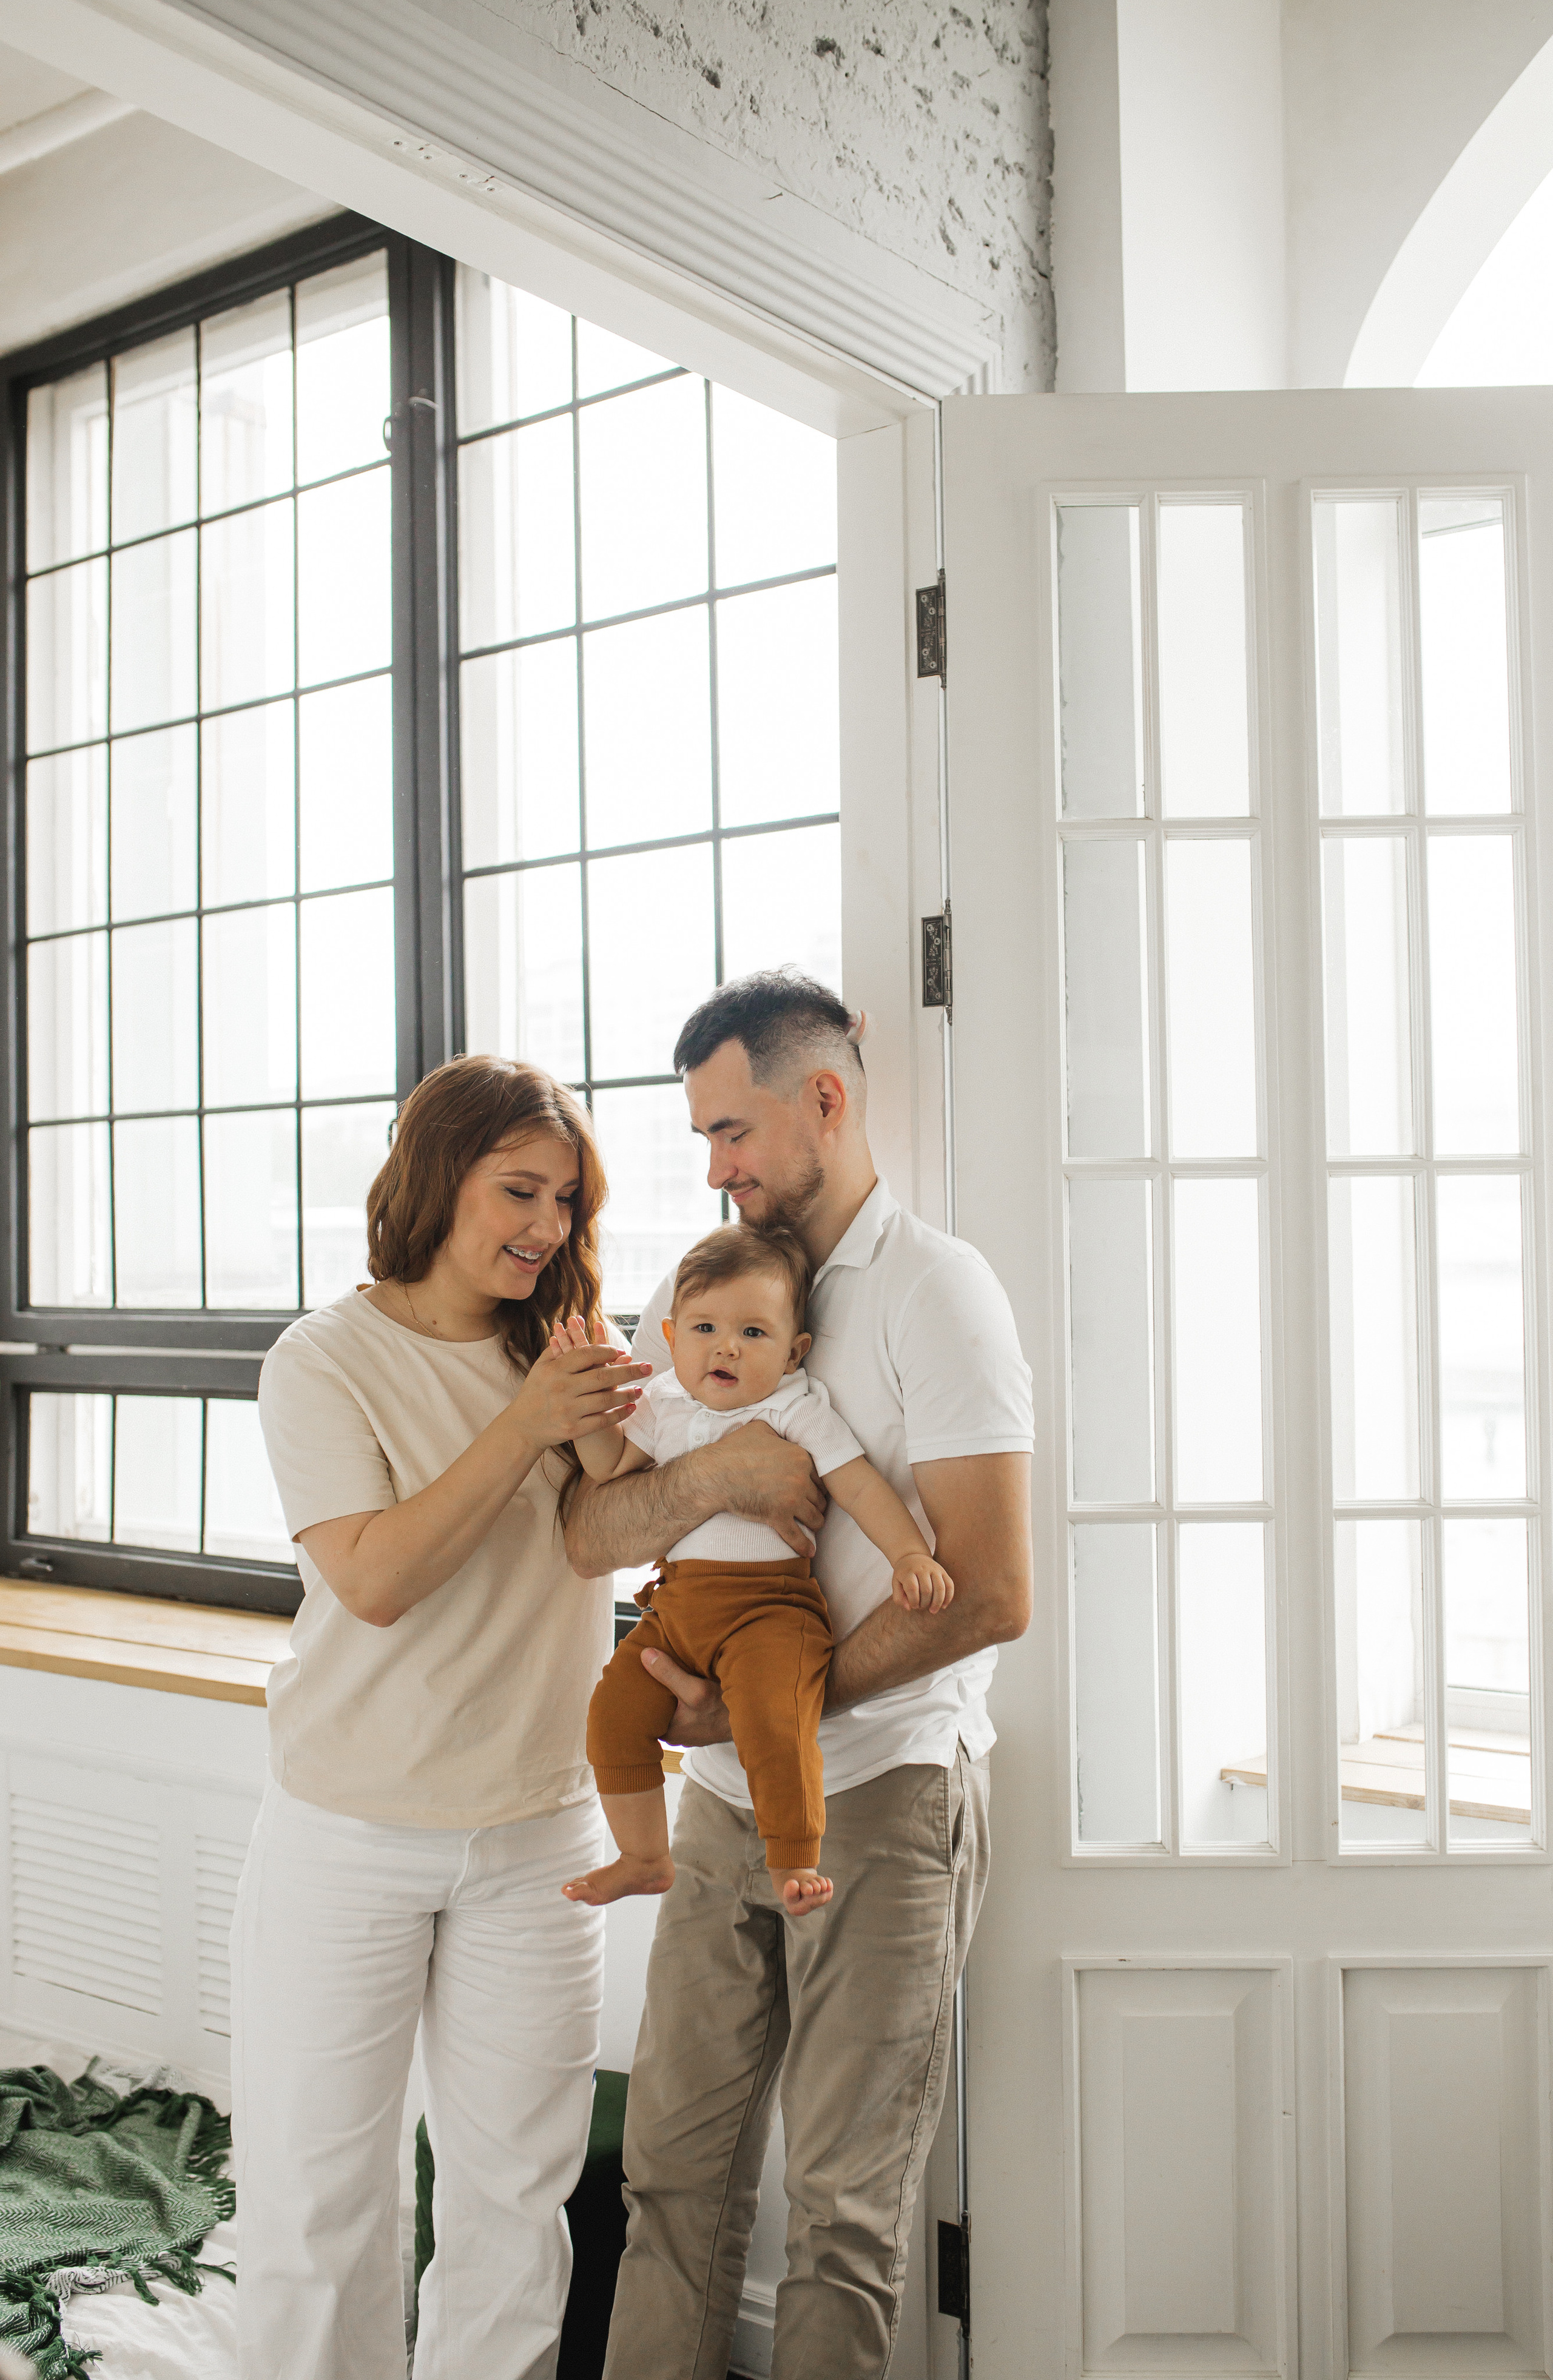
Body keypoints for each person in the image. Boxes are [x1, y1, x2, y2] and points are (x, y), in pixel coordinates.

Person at [564, 972, 1035, 2380]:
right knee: (671, 2180)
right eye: (705, 1141)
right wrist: (719, 1473)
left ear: (820, 1098)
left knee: (840, 2207)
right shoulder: (698, 1293)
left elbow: (992, 1587)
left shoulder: (935, 1292)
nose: (713, 1167)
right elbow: (595, 1525)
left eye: (729, 1131)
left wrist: (769, 1709)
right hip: (712, 1807)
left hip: (884, 1799)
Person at [234, 1055, 649, 2380]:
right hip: (346, 1831)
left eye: (565, 1202)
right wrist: (527, 1425)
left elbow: (618, 1544)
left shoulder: (564, 1351)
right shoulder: (324, 1360)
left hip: (540, 1833)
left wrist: (617, 1436)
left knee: (515, 2206)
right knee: (318, 2200)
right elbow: (374, 1579)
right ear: (434, 1177)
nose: (543, 1226)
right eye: (515, 1190)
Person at [555, 1222, 954, 1916]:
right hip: (677, 1614)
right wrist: (585, 1399)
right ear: (673, 1339)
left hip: (772, 1613)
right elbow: (608, 1467)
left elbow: (858, 1485)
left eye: (754, 1334)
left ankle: (794, 1861)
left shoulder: (795, 1406)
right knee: (611, 1713)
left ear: (794, 1351)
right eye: (705, 1328)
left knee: (777, 1721)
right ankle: (644, 1856)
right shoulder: (665, 1409)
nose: (726, 1347)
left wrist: (909, 1554)